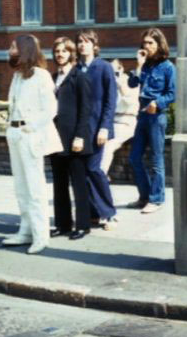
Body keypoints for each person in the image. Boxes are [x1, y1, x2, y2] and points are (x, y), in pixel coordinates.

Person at [3, 34, 63, 255]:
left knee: (35, 187)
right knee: (21, 187)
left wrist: (31, 127)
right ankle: (25, 231)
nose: (10, 50)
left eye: (13, 47)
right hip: (15, 133)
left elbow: (51, 109)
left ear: (25, 50)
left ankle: (41, 236)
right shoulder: (18, 76)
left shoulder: (41, 76)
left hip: (29, 135)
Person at [126, 28, 176, 214]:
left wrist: (158, 102)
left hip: (157, 116)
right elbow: (132, 84)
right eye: (144, 43)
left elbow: (172, 93)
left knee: (156, 159)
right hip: (142, 115)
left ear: (159, 44)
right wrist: (138, 65)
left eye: (150, 43)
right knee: (134, 157)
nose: (146, 46)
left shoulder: (168, 67)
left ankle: (157, 199)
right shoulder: (145, 65)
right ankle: (145, 196)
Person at [49, 37, 94, 240]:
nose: (60, 54)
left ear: (71, 53)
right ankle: (63, 224)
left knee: (78, 184)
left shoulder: (79, 77)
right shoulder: (52, 77)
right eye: (57, 51)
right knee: (59, 184)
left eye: (64, 51)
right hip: (56, 139)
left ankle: (83, 226)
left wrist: (79, 137)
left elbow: (86, 110)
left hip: (75, 139)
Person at [75, 30, 118, 228]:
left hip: (97, 128)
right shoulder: (76, 69)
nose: (82, 45)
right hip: (79, 130)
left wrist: (105, 128)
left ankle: (109, 213)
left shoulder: (104, 67)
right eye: (79, 42)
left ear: (94, 44)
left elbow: (111, 100)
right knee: (82, 172)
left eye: (86, 41)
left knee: (94, 169)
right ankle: (92, 213)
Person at [99, 58, 140, 179]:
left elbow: (131, 102)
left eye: (115, 71)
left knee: (108, 145)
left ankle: (101, 176)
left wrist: (121, 87)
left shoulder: (130, 81)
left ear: (121, 69)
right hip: (111, 122)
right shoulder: (106, 83)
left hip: (125, 121)